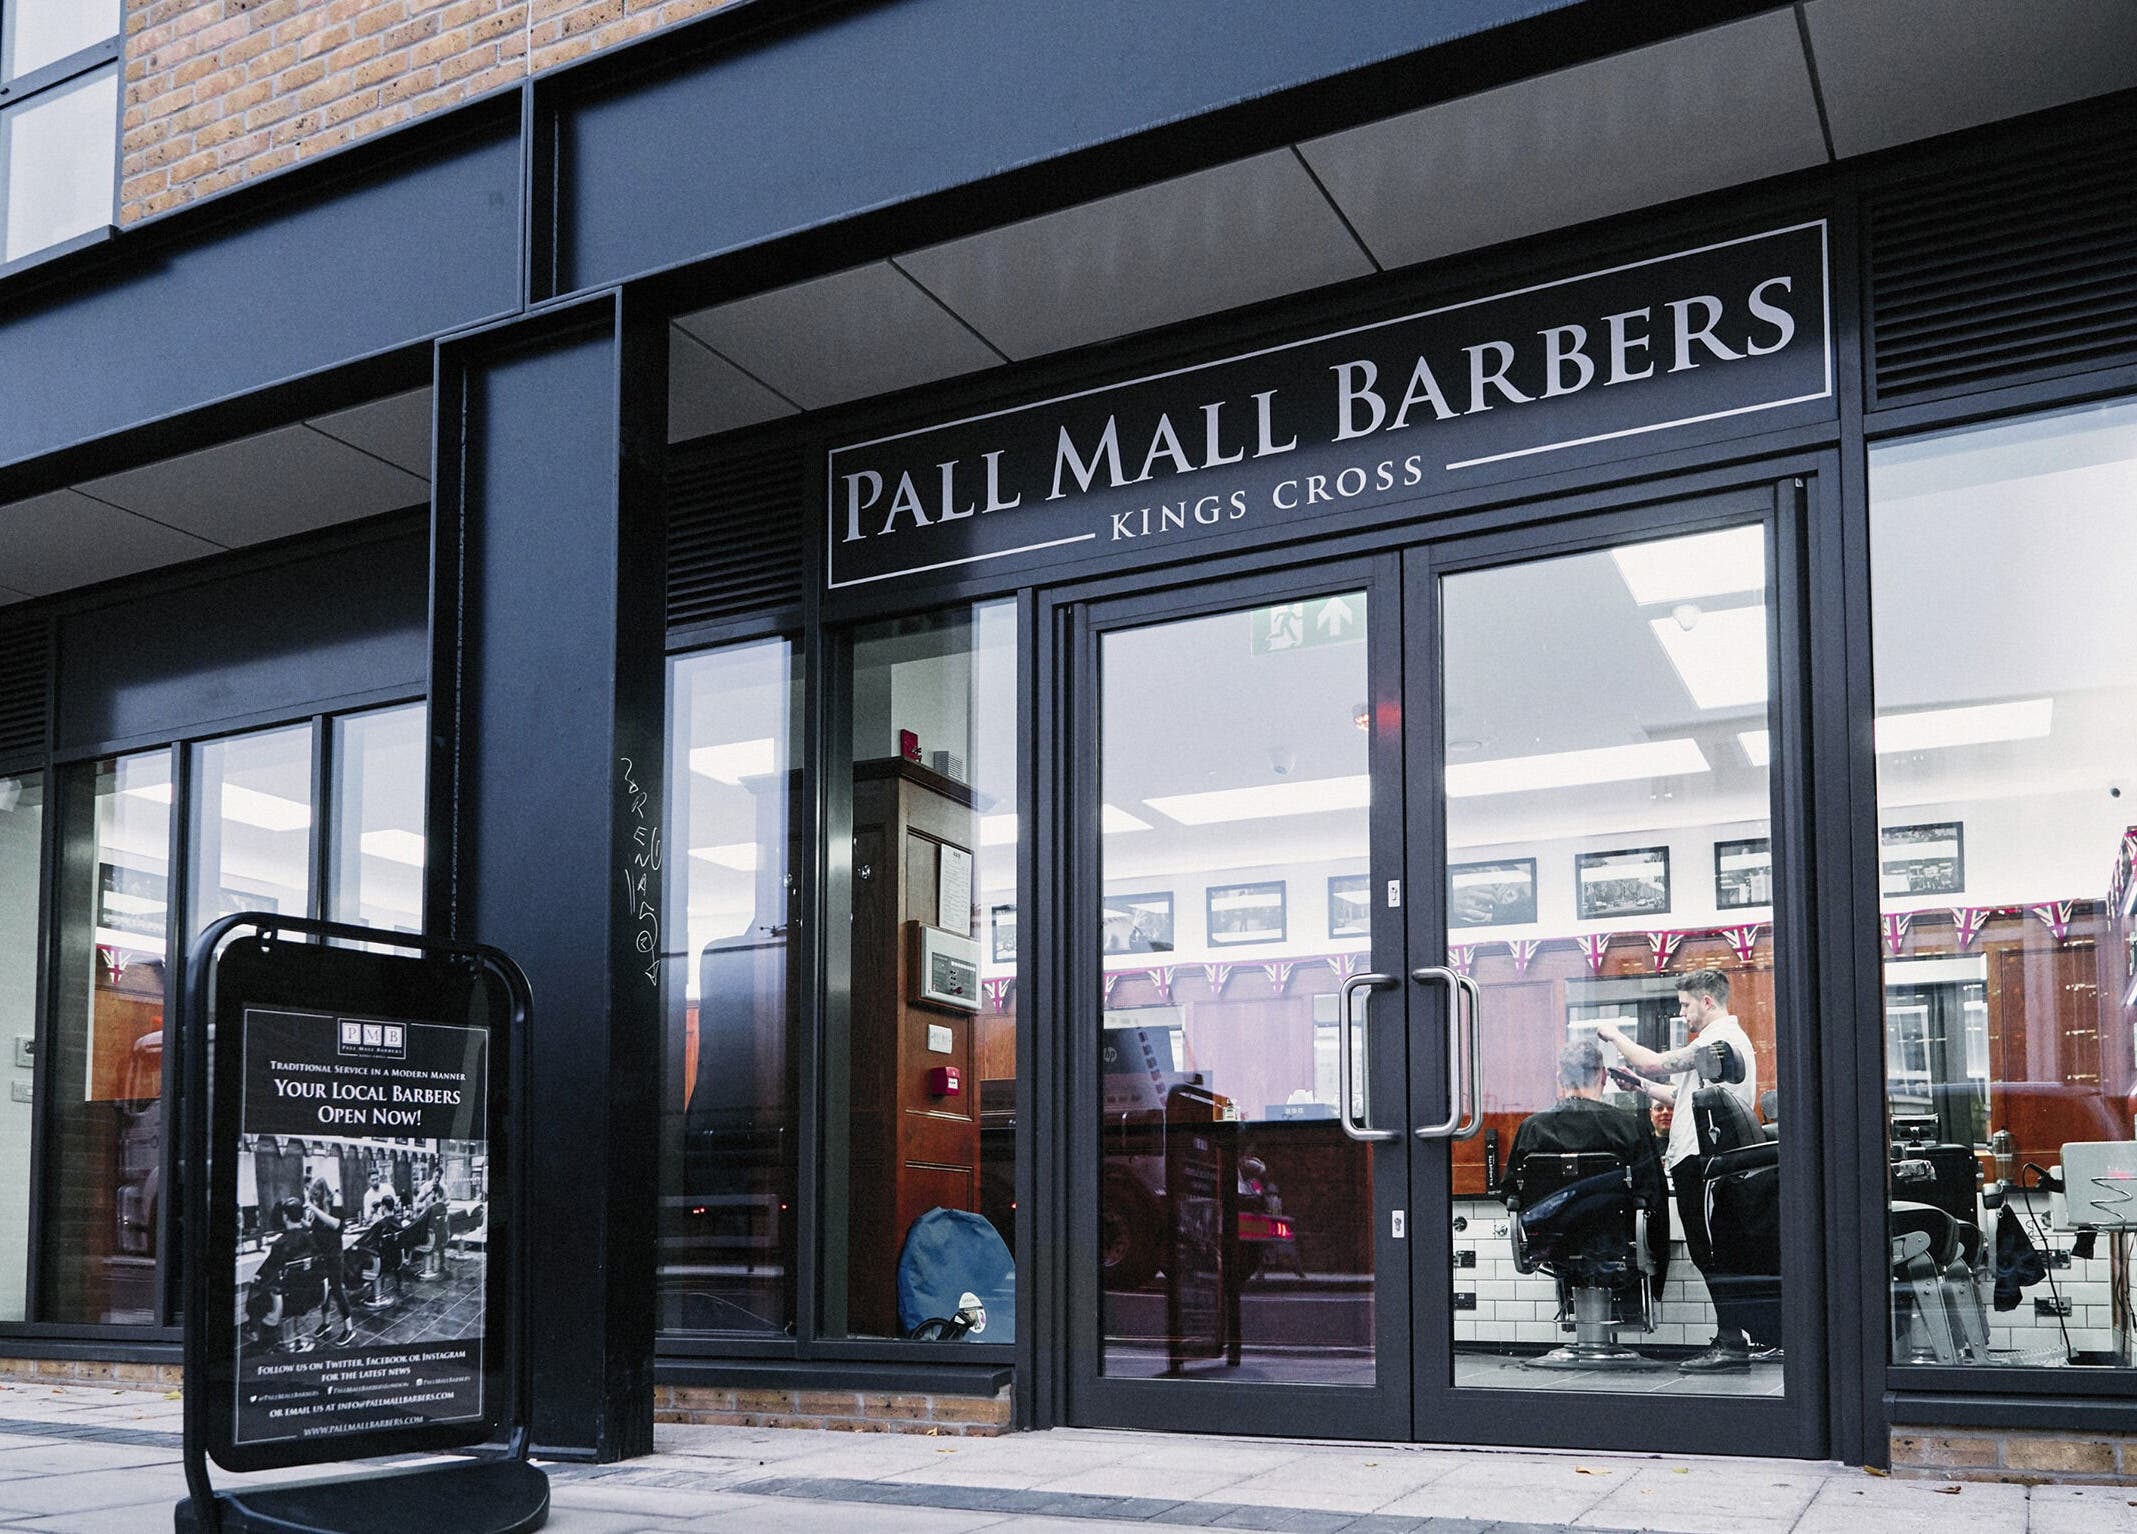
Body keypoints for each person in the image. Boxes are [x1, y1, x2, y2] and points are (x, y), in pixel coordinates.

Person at [1596, 969, 1763, 1373]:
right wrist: (1640, 1086)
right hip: (1705, 1162)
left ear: (1707, 1001)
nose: (1683, 1013)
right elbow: (1679, 1093)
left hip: (1705, 1163)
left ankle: (1730, 1343)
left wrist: (1614, 1036)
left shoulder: (1720, 1042)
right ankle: (1732, 1339)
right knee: (1714, 1252)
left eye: (1686, 1005)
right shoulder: (1714, 1046)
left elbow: (1656, 1064)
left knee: (1712, 1253)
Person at [1507, 1037, 1670, 1284]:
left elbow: (1510, 1192)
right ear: (1603, 1076)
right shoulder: (1629, 1127)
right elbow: (1653, 1194)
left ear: (1561, 1078)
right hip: (1615, 1244)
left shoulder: (1532, 1128)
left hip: (1553, 1245)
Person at [302, 1176, 357, 1346]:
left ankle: (349, 1329)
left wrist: (312, 1207)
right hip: (322, 1255)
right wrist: (299, 1219)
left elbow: (335, 1224)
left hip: (334, 1255)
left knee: (337, 1290)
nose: (314, 1199)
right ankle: (326, 1323)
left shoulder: (335, 1202)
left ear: (321, 1192)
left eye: (315, 1196)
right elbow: (313, 1227)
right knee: (324, 1291)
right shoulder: (318, 1207)